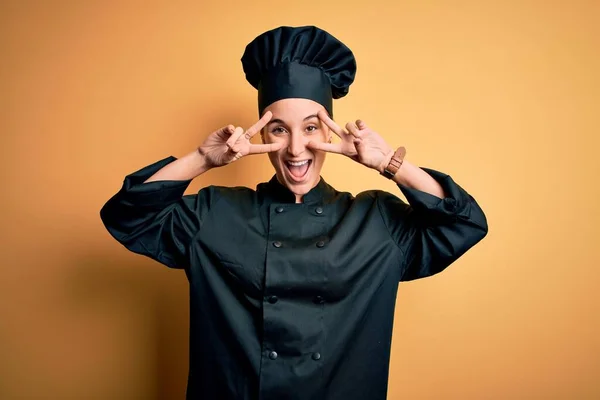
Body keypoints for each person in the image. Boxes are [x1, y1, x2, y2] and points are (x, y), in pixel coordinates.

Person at [100, 25, 488, 400]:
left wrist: (389, 162)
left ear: (331, 134)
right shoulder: (215, 213)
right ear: (263, 135)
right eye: (280, 130)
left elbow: (464, 223)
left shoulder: (376, 221)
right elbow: (128, 216)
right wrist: (201, 159)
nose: (297, 149)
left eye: (311, 127)